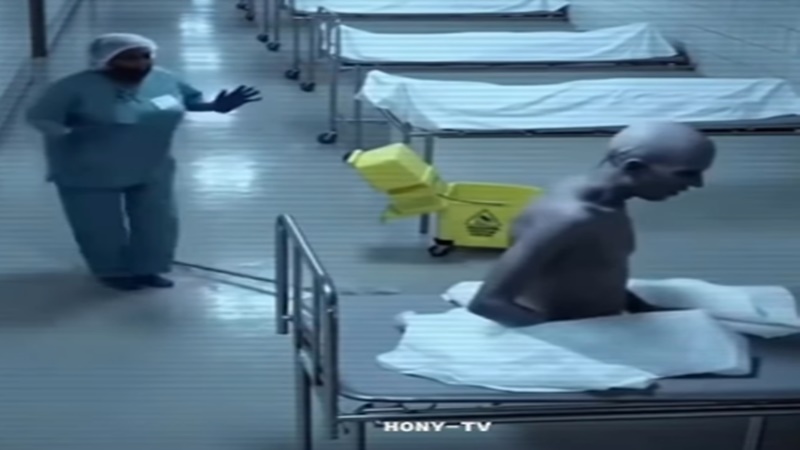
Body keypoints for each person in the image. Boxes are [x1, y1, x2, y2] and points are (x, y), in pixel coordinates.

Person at [26, 33, 262, 291]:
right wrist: (67, 132)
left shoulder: (163, 79)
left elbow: (187, 100)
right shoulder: (73, 87)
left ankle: (149, 267)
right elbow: (41, 117)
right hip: (89, 169)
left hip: (151, 165)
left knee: (157, 223)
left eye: (145, 56)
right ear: (105, 60)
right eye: (129, 58)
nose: (140, 63)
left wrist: (215, 106)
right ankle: (112, 271)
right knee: (99, 225)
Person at [467, 121, 717, 326]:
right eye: (686, 173)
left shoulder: (608, 201)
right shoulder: (567, 218)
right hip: (569, 331)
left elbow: (592, 268)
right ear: (635, 168)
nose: (697, 184)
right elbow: (488, 303)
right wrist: (571, 342)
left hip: (607, 322)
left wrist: (641, 308)